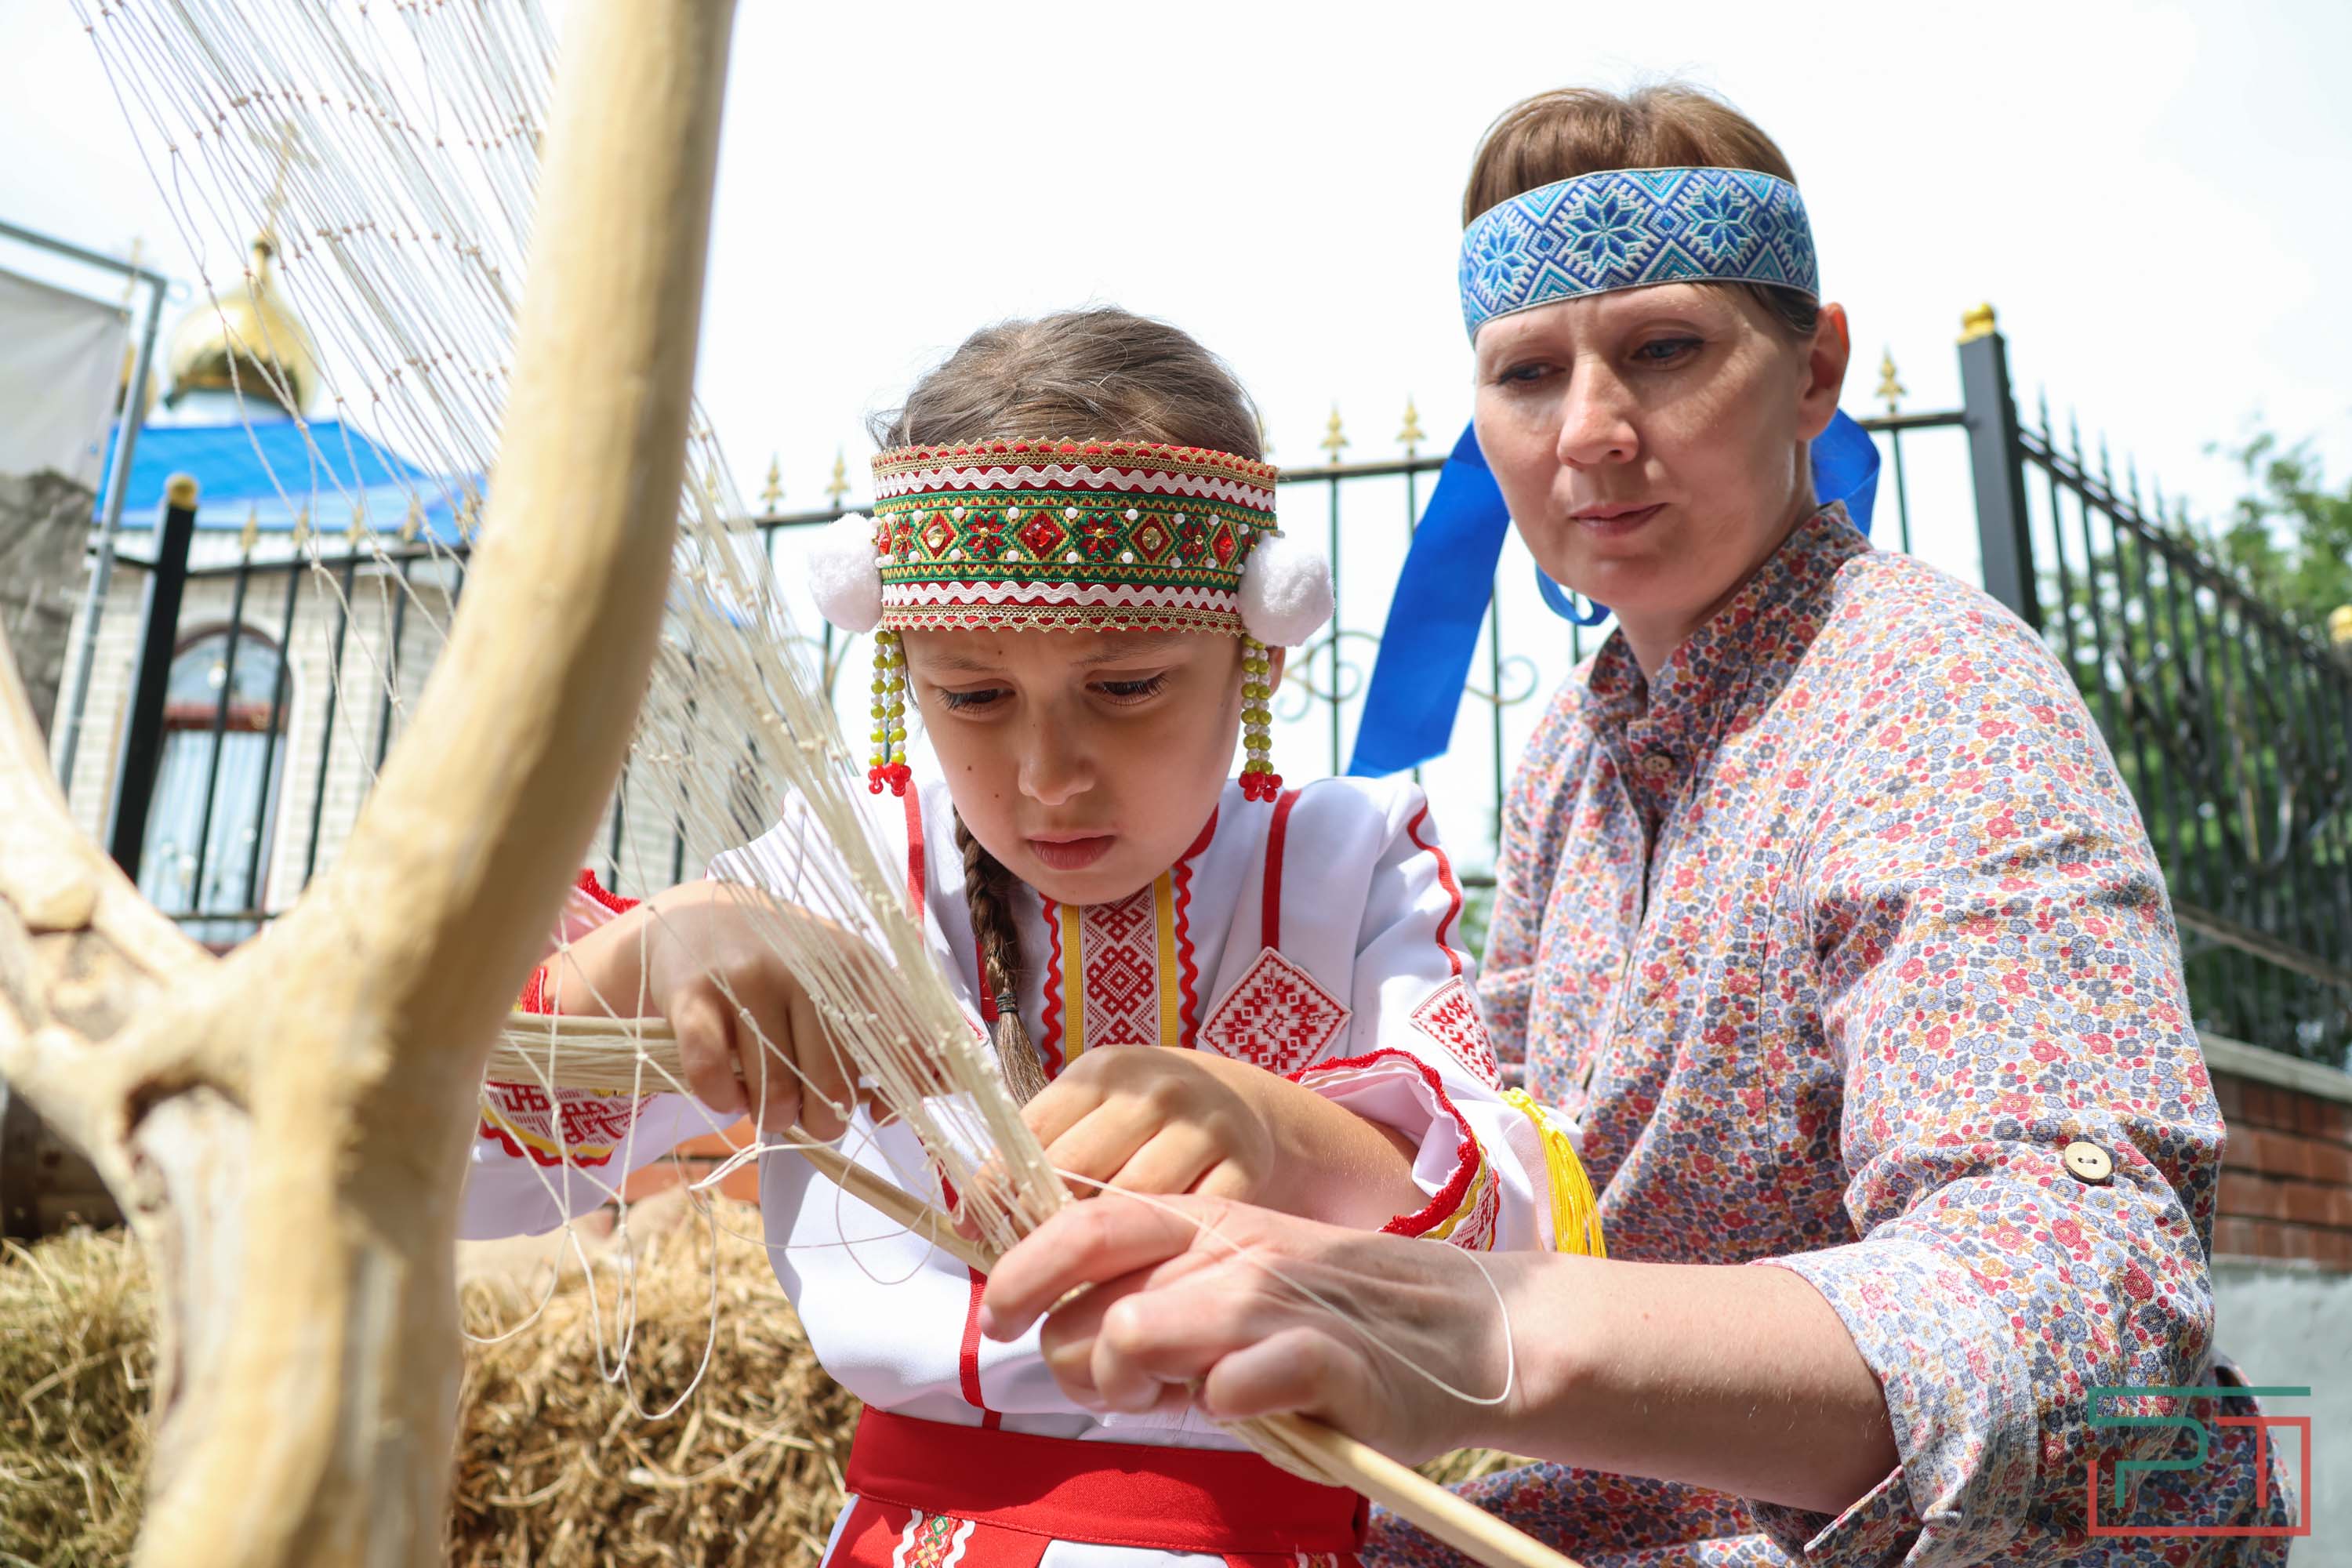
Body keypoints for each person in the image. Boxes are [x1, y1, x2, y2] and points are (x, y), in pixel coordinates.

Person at [979, 87, 2296, 1564]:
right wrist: (1282, 1158)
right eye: (1529, 373)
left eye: (1664, 351)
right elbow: (1532, 1175)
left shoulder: (1938, 700)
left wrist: (1495, 1336)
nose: (1592, 433)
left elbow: (2082, 1294)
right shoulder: (1570, 758)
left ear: (1816, 370)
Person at [458, 307, 1588, 1568]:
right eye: (976, 696)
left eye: (1127, 688)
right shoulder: (840, 880)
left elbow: (1508, 1233)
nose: (1049, 779)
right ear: (905, 676)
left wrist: (1274, 1130)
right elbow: (458, 1179)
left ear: (1254, 662)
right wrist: (642, 959)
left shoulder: (1350, 860)